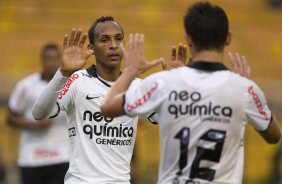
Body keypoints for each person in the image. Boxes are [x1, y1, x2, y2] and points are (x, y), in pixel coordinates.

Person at [100, 2, 281, 184]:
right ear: (228, 38)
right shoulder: (245, 90)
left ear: (188, 38)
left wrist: (130, 71)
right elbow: (274, 136)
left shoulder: (164, 82)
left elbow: (107, 107)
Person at [32, 16, 159, 184]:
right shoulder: (77, 81)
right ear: (92, 48)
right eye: (104, 40)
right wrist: (62, 73)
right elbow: (39, 113)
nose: (113, 45)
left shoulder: (136, 86)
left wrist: (177, 87)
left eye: (118, 39)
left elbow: (167, 118)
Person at [7, 43, 69, 184]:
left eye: (55, 58)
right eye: (48, 58)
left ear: (61, 60)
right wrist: (34, 124)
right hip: (32, 158)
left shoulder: (71, 86)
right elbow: (10, 118)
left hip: (62, 157)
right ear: (42, 60)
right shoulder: (26, 86)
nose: (52, 62)